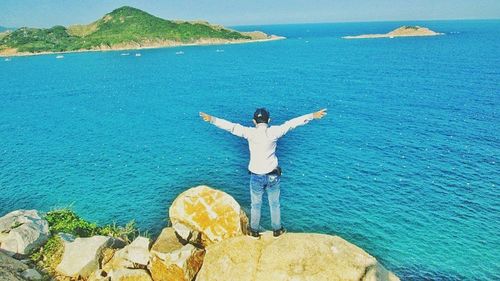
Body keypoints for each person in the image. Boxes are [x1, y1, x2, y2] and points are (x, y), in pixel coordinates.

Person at [199, 108, 327, 238]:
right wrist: (312, 115)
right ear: (269, 120)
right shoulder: (274, 132)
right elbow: (291, 123)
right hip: (273, 176)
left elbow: (231, 127)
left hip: (256, 177)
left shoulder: (250, 133)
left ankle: (254, 230)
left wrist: (212, 119)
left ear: (254, 121)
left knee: (255, 205)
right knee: (275, 204)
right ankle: (277, 229)